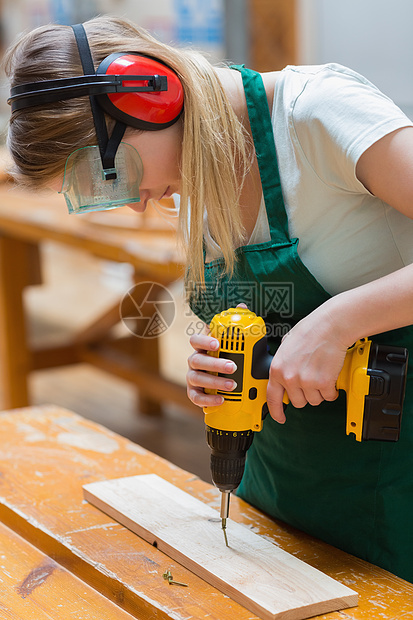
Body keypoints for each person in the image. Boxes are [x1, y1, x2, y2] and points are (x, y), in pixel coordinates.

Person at [5, 15, 413, 582]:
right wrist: (221, 364)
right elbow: (256, 324)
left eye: (111, 175)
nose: (133, 206)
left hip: (396, 484)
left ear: (149, 96)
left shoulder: (319, 112)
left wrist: (338, 322)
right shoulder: (199, 177)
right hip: (280, 489)